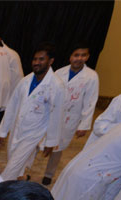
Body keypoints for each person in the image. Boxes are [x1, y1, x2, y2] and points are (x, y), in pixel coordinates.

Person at [0, 42, 64, 181]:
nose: (36, 62)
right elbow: (12, 106)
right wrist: (3, 131)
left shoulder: (56, 85)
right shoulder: (25, 81)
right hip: (17, 129)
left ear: (50, 61)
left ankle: (0, 186)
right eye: (35, 59)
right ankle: (22, 180)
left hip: (34, 133)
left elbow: (57, 115)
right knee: (14, 160)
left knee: (13, 166)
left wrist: (51, 141)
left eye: (41, 59)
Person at [42, 43, 99, 185]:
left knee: (58, 146)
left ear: (87, 57)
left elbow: (90, 102)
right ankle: (25, 170)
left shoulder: (91, 76)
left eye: (83, 55)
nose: (79, 58)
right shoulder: (59, 72)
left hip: (70, 117)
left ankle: (49, 173)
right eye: (76, 55)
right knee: (39, 142)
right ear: (70, 57)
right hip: (52, 114)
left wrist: (84, 125)